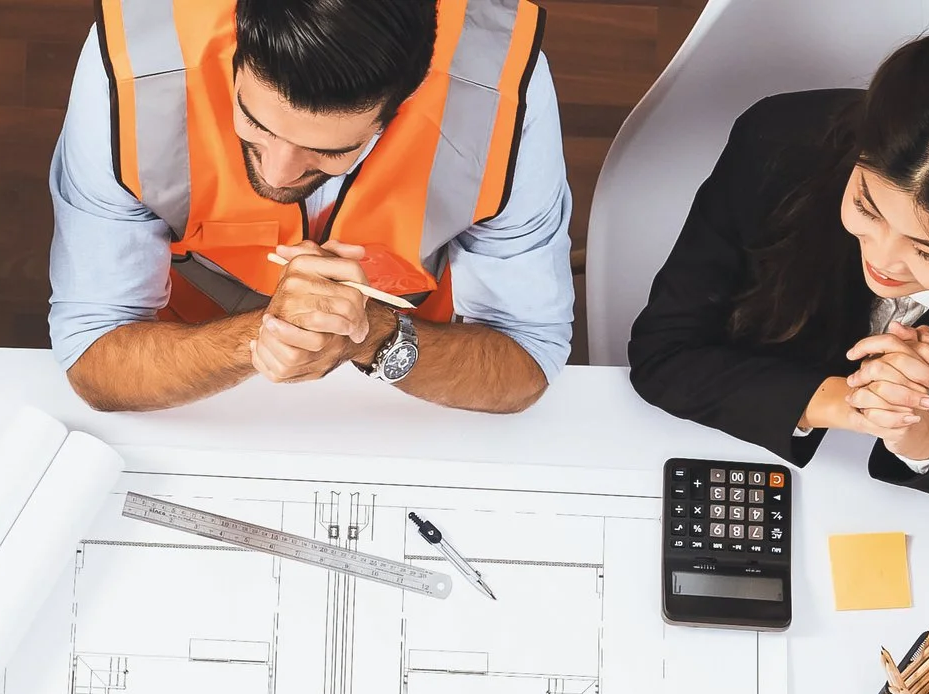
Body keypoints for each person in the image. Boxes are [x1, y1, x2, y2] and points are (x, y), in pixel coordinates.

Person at [627, 28, 929, 518]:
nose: (883, 260)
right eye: (867, 207)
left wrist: (915, 430)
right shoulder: (775, 140)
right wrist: (848, 403)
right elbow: (663, 354)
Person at [49, 0, 573, 413]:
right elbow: (93, 355)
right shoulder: (135, 62)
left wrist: (372, 335)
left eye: (330, 149)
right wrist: (267, 337)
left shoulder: (500, 90)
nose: (278, 173)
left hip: (417, 382)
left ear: (408, 99)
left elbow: (527, 359)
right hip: (186, 372)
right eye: (255, 123)